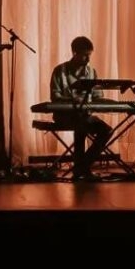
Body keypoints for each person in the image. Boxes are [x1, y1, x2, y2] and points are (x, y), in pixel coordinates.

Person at [49, 36, 113, 179]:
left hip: (85, 117)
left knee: (107, 131)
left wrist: (111, 101)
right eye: (85, 55)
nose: (88, 59)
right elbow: (55, 97)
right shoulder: (60, 71)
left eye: (89, 55)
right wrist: (75, 101)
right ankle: (82, 168)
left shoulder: (91, 72)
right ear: (74, 53)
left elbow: (97, 96)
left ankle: (82, 166)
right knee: (81, 125)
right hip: (64, 116)